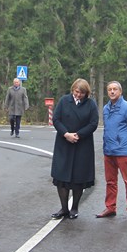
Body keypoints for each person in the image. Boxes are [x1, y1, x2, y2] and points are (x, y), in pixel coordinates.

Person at [50, 78, 100, 220]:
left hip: (82, 144)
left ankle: (74, 207)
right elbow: (56, 119)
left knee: (79, 177)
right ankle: (64, 208)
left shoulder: (91, 104)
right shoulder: (64, 101)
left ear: (86, 93)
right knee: (61, 175)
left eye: (82, 93)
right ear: (73, 89)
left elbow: (93, 123)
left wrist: (78, 135)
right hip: (64, 143)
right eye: (77, 91)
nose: (78, 95)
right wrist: (66, 134)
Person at [96, 81, 127, 221]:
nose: (112, 91)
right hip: (108, 150)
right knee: (110, 181)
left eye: (115, 89)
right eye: (109, 89)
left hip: (123, 151)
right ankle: (110, 207)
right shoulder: (106, 108)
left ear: (120, 91)